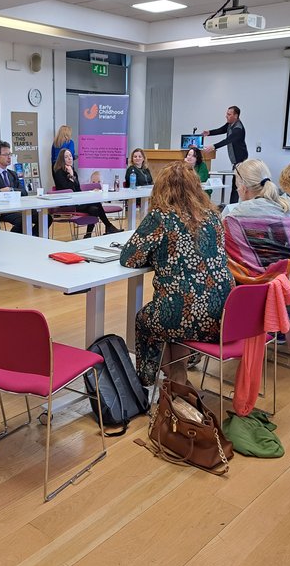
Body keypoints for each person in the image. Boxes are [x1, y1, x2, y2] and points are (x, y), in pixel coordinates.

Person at [120, 161, 233, 386]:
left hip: (182, 315)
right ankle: (178, 378)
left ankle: (151, 380)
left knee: (148, 319)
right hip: (222, 314)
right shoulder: (213, 217)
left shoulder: (160, 217)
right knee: (176, 312)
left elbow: (129, 258)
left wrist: (158, 256)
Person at [53, 149, 121, 238]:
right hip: (67, 204)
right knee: (96, 203)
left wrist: (72, 175)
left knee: (94, 209)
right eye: (66, 157)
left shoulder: (73, 172)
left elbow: (77, 189)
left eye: (70, 156)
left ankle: (88, 235)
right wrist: (71, 175)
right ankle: (108, 226)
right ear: (62, 160)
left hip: (76, 202)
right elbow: (68, 189)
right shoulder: (59, 172)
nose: (69, 158)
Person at [0, 140, 40, 235]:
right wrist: (7, 192)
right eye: (6, 155)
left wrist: (10, 189)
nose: (9, 157)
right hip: (1, 210)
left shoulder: (12, 174)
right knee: (23, 221)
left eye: (10, 154)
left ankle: (32, 238)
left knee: (46, 217)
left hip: (17, 207)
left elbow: (24, 192)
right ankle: (13, 238)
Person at [202, 105, 248, 203]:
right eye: (227, 114)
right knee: (235, 184)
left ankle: (232, 206)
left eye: (229, 114)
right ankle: (232, 205)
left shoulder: (238, 129)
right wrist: (209, 132)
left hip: (241, 160)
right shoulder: (230, 124)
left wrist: (213, 146)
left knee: (236, 185)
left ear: (236, 116)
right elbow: (222, 130)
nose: (226, 116)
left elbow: (227, 140)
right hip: (236, 160)